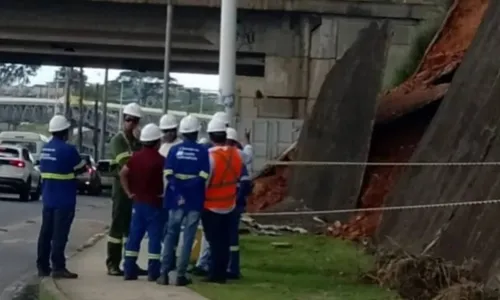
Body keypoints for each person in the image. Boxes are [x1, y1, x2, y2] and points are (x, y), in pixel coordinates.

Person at [157, 115, 210, 286]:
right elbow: (203, 175)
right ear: (196, 133)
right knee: (188, 237)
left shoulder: (174, 151)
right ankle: (180, 275)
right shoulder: (202, 151)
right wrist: (189, 189)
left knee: (170, 235)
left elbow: (168, 174)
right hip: (194, 199)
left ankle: (164, 274)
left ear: (182, 133)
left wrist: (179, 192)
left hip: (175, 199)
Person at [37, 115, 87, 279]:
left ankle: (43, 266)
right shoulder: (68, 150)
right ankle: (58, 267)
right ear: (65, 131)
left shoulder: (46, 149)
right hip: (64, 200)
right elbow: (81, 167)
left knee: (45, 234)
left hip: (48, 198)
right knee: (60, 235)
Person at [201, 118, 247, 284]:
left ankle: (215, 274)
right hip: (229, 204)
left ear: (211, 136)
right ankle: (221, 272)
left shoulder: (210, 157)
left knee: (214, 242)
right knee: (224, 242)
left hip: (211, 205)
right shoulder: (236, 155)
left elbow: (205, 182)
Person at [119, 124, 165, 281]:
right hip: (155, 204)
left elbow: (123, 173)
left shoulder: (134, 158)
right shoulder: (161, 161)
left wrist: (128, 192)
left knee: (134, 238)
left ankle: (129, 269)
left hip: (137, 203)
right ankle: (153, 272)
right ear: (157, 142)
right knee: (154, 239)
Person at [106, 102, 146, 276]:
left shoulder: (137, 142)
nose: (132, 123)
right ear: (124, 119)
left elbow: (143, 161)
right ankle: (113, 263)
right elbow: (126, 164)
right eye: (129, 119)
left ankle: (130, 263)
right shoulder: (118, 140)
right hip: (121, 190)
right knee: (117, 228)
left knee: (132, 229)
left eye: (135, 120)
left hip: (135, 190)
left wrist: (141, 143)